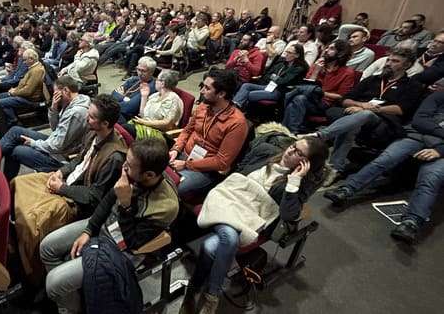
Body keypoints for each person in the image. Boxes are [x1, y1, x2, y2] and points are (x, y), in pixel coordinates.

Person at [180, 137, 328, 314]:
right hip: (227, 200)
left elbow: (289, 215)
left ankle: (194, 289)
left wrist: (294, 181)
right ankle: (213, 295)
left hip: (251, 218)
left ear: (306, 164)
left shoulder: (299, 183)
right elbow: (236, 175)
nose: (290, 151)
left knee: (210, 247)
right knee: (229, 237)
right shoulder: (265, 152)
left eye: (299, 153)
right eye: (293, 146)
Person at [40, 138, 179, 314]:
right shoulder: (132, 173)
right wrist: (89, 230)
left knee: (53, 283)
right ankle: (74, 300)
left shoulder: (166, 206)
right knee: (47, 247)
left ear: (149, 175)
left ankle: (70, 306)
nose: (124, 168)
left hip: (123, 250)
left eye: (129, 165)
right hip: (107, 226)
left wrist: (126, 204)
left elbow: (133, 242)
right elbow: (107, 202)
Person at [11, 94, 126, 282]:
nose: (86, 118)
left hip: (79, 200)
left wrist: (62, 188)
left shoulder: (114, 157)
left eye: (91, 117)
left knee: (34, 220)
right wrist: (60, 172)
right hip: (69, 182)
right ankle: (19, 240)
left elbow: (95, 197)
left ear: (105, 123)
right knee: (20, 182)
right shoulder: (92, 133)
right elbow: (78, 161)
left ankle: (33, 272)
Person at [323, 89, 444, 244]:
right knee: (385, 159)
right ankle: (347, 189)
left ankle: (411, 222)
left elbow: (426, 122)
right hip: (416, 136)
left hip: (440, 149)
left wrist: (439, 150)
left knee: (431, 178)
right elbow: (420, 120)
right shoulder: (440, 95)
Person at [306, 47, 424, 185]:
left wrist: (372, 109)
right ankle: (334, 169)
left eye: (395, 61)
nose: (388, 63)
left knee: (365, 114)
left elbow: (401, 109)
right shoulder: (373, 80)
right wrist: (361, 105)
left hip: (384, 121)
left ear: (407, 65)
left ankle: (321, 135)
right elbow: (346, 99)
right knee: (352, 125)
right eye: (388, 60)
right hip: (356, 115)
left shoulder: (412, 85)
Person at [169, 70, 249, 198]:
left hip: (205, 169)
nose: (201, 92)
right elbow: (187, 131)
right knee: (154, 170)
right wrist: (176, 149)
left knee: (172, 187)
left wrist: (186, 164)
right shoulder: (203, 106)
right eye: (202, 86)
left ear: (221, 94)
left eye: (207, 88)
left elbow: (222, 162)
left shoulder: (237, 123)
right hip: (182, 155)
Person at [0, 75, 90, 180]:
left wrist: (33, 143)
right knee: (16, 131)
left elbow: (57, 146)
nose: (54, 95)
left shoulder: (76, 112)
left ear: (65, 90)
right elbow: (55, 128)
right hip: (56, 142)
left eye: (55, 92)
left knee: (16, 151)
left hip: (61, 156)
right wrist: (54, 108)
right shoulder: (73, 101)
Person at [282, 40, 357, 133]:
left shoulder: (348, 72)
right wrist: (316, 71)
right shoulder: (318, 65)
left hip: (325, 103)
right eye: (327, 47)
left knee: (297, 98)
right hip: (308, 96)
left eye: (332, 49)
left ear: (341, 54)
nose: (326, 50)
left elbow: (341, 96)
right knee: (297, 98)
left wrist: (321, 92)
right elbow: (306, 86)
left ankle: (288, 131)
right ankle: (289, 131)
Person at [232, 43, 308, 110]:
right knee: (246, 86)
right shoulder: (282, 63)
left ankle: (238, 109)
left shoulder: (298, 68)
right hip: (269, 86)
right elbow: (267, 74)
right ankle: (235, 106)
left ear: (297, 55)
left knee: (250, 94)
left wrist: (274, 77)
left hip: (280, 91)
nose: (286, 54)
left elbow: (283, 81)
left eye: (290, 52)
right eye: (286, 51)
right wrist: (275, 78)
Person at [123, 70, 184, 140]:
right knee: (121, 125)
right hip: (146, 126)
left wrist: (144, 122)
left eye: (157, 79)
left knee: (126, 129)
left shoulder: (173, 98)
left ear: (162, 83)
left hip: (160, 133)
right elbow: (143, 115)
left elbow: (167, 124)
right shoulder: (155, 95)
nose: (155, 81)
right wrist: (144, 97)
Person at [0, 48, 47, 125]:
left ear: (31, 59)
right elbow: (24, 85)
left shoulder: (37, 71)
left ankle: (14, 121)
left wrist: (14, 92)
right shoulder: (33, 68)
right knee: (1, 96)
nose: (24, 62)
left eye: (25, 60)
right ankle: (12, 117)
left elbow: (28, 91)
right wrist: (15, 90)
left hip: (30, 99)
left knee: (0, 102)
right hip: (24, 95)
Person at [111, 56, 157, 122]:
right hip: (118, 110)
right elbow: (114, 92)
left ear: (151, 72)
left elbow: (128, 108)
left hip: (130, 117)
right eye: (138, 69)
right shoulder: (134, 79)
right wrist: (124, 99)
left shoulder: (151, 87)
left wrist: (120, 97)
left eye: (143, 71)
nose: (140, 73)